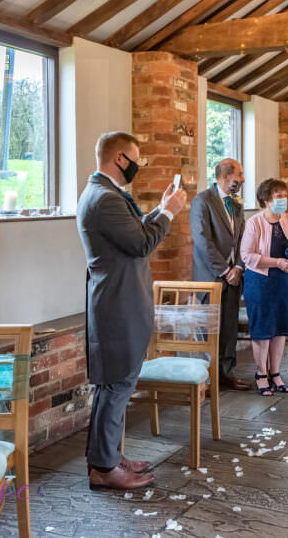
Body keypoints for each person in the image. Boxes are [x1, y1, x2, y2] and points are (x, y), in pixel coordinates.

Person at [77, 131, 187, 490]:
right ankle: (105, 469)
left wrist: (159, 208)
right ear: (120, 158)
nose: (138, 165)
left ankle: (108, 455)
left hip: (121, 302)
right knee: (116, 384)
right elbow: (141, 243)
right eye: (136, 158)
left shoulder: (106, 194)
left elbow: (134, 230)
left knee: (117, 384)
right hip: (117, 305)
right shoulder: (104, 198)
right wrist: (169, 214)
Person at [240, 178, 288, 396]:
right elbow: (246, 255)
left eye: (284, 196)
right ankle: (261, 374)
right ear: (266, 200)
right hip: (260, 281)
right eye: (279, 197)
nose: (283, 200)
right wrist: (276, 262)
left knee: (280, 328)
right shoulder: (254, 223)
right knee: (263, 330)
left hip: (284, 281)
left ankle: (276, 372)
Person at [191, 158, 248, 391]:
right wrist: (225, 271)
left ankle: (227, 374)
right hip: (211, 276)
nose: (242, 180)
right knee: (208, 328)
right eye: (240, 175)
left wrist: (239, 267)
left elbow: (243, 238)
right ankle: (206, 378)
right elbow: (202, 240)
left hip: (234, 275)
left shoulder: (236, 204)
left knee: (229, 328)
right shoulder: (202, 201)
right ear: (225, 178)